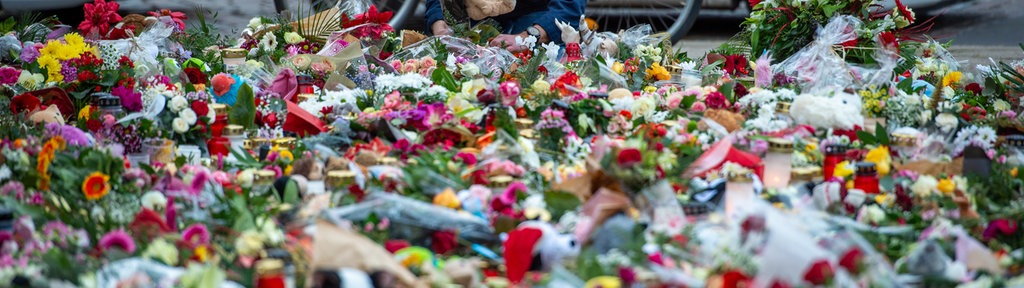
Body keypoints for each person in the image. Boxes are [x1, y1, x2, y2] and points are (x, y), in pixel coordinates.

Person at [425, 0, 585, 53]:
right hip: (473, 20)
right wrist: (439, 24)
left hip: (535, 20)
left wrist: (528, 37)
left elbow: (569, 8)